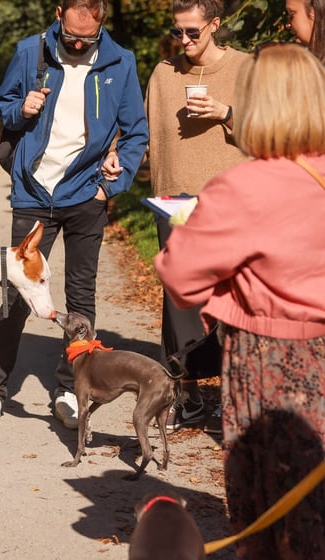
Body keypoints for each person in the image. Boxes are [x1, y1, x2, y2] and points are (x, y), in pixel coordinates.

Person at [155, 42, 325, 559]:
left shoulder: (243, 186)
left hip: (267, 361)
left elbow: (179, 276)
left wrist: (225, 281)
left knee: (269, 507)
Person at [0, 0, 148, 432]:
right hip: (33, 193)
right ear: (58, 12)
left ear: (102, 21)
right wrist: (21, 108)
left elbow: (136, 132)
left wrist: (111, 184)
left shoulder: (120, 61)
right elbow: (3, 104)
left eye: (88, 37)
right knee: (15, 297)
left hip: (86, 194)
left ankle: (70, 388)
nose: (79, 45)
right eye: (71, 36)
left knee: (81, 296)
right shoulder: (30, 52)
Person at [144, 0, 250, 434]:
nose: (184, 40)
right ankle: (185, 394)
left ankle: (234, 394)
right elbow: (144, 133)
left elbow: (267, 131)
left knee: (234, 299)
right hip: (173, 200)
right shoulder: (163, 73)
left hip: (231, 200)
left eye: (193, 31)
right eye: (178, 32)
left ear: (215, 25)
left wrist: (226, 114)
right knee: (180, 303)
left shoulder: (245, 69)